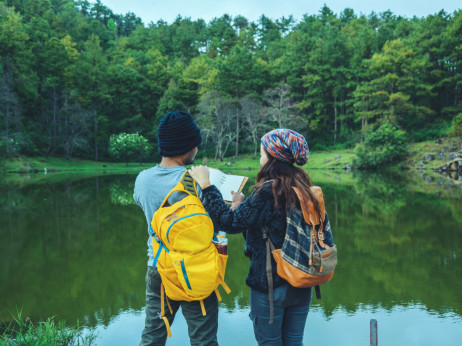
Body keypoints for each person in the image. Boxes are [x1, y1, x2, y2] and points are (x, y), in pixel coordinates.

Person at [189, 129, 333, 346]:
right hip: (302, 280)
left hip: (270, 285)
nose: (259, 157)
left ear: (273, 157)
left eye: (262, 152)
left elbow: (227, 223)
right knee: (295, 342)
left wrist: (207, 186)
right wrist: (240, 207)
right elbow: (266, 228)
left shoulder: (268, 191)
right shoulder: (305, 188)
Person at [133, 110, 219, 346]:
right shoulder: (196, 181)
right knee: (204, 340)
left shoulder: (142, 179)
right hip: (195, 270)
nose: (197, 150)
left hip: (158, 266)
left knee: (152, 337)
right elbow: (218, 221)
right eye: (195, 145)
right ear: (187, 147)